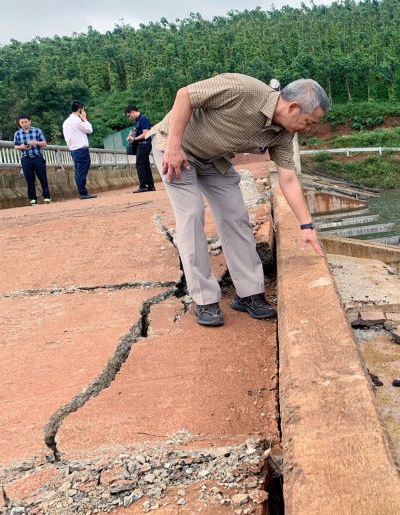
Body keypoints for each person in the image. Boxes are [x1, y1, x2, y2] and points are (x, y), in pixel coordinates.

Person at [148, 73, 328, 326]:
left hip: (213, 161)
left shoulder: (282, 135)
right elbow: (185, 95)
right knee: (191, 215)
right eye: (309, 122)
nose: (309, 128)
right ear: (293, 107)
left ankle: (249, 294)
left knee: (236, 216)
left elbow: (288, 180)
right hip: (176, 150)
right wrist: (174, 147)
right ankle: (205, 299)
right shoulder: (243, 89)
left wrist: (306, 225)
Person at [13, 114, 51, 205]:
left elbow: (44, 143)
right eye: (22, 122)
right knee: (29, 179)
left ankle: (47, 197)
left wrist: (35, 142)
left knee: (43, 177)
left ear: (29, 121)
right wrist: (21, 146)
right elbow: (15, 146)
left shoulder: (37, 131)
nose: (24, 124)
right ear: (19, 123)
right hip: (26, 158)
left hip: (38, 157)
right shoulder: (17, 133)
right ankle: (33, 198)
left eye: (26, 122)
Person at [62, 101, 96, 199]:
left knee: (79, 170)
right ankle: (83, 192)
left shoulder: (66, 122)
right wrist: (84, 118)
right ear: (80, 110)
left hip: (73, 149)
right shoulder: (77, 121)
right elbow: (89, 130)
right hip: (81, 149)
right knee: (81, 170)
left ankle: (82, 191)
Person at [125, 105, 155, 193]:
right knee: (145, 164)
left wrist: (134, 139)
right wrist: (131, 136)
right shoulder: (137, 121)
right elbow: (138, 132)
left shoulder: (143, 119)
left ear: (132, 112)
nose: (129, 117)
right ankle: (150, 185)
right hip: (142, 144)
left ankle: (143, 186)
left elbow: (146, 133)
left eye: (129, 115)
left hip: (144, 144)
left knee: (140, 164)